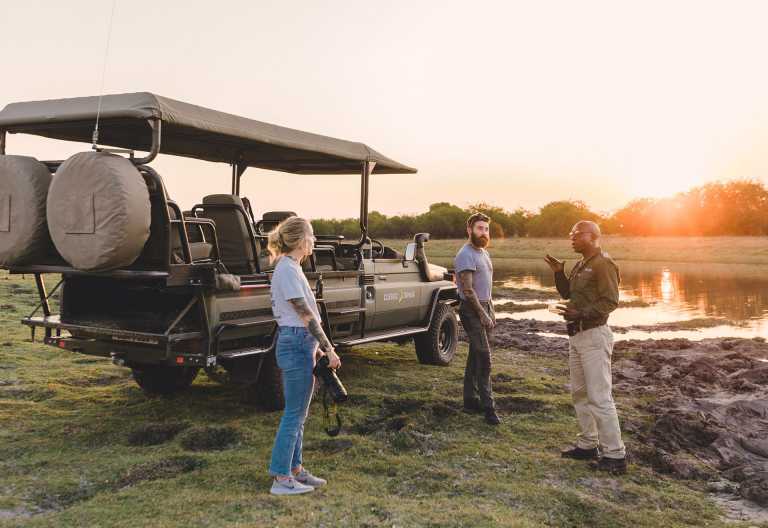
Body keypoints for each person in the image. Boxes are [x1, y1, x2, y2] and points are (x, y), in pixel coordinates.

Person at [544, 220, 627, 475]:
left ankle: (615, 455)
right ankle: (588, 444)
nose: (571, 238)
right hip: (576, 337)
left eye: (576, 234)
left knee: (600, 397)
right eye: (571, 234)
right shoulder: (581, 264)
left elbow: (610, 302)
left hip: (594, 336)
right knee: (579, 393)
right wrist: (559, 272)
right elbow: (568, 293)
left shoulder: (604, 264)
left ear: (591, 237)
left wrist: (581, 313)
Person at [267, 216, 342, 495]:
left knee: (300, 413)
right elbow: (305, 314)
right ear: (299, 240)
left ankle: (296, 469)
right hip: (296, 342)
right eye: (310, 235)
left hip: (303, 341)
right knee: (293, 414)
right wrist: (330, 347)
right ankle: (280, 478)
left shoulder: (293, 268)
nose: (314, 240)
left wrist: (318, 345)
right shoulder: (286, 270)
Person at [454, 212, 501, 426]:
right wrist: (482, 314)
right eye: (480, 228)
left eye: (486, 229)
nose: (484, 232)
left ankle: (469, 401)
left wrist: (490, 309)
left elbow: (485, 286)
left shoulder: (483, 252)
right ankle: (489, 408)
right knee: (484, 356)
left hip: (486, 306)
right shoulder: (466, 254)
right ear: (469, 230)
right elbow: (468, 289)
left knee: (475, 354)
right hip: (471, 309)